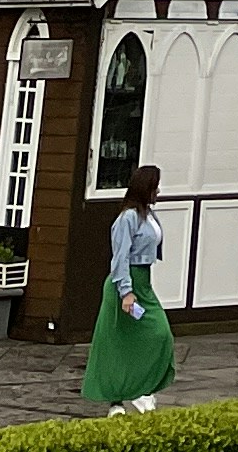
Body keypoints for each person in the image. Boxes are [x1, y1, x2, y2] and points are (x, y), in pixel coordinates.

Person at [81, 163, 177, 415]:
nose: (159, 191)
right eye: (155, 186)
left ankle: (141, 390)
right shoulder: (128, 218)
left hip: (143, 281)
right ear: (146, 188)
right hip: (126, 283)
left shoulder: (149, 214)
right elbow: (120, 257)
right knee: (117, 343)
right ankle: (116, 402)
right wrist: (126, 292)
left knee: (160, 334)